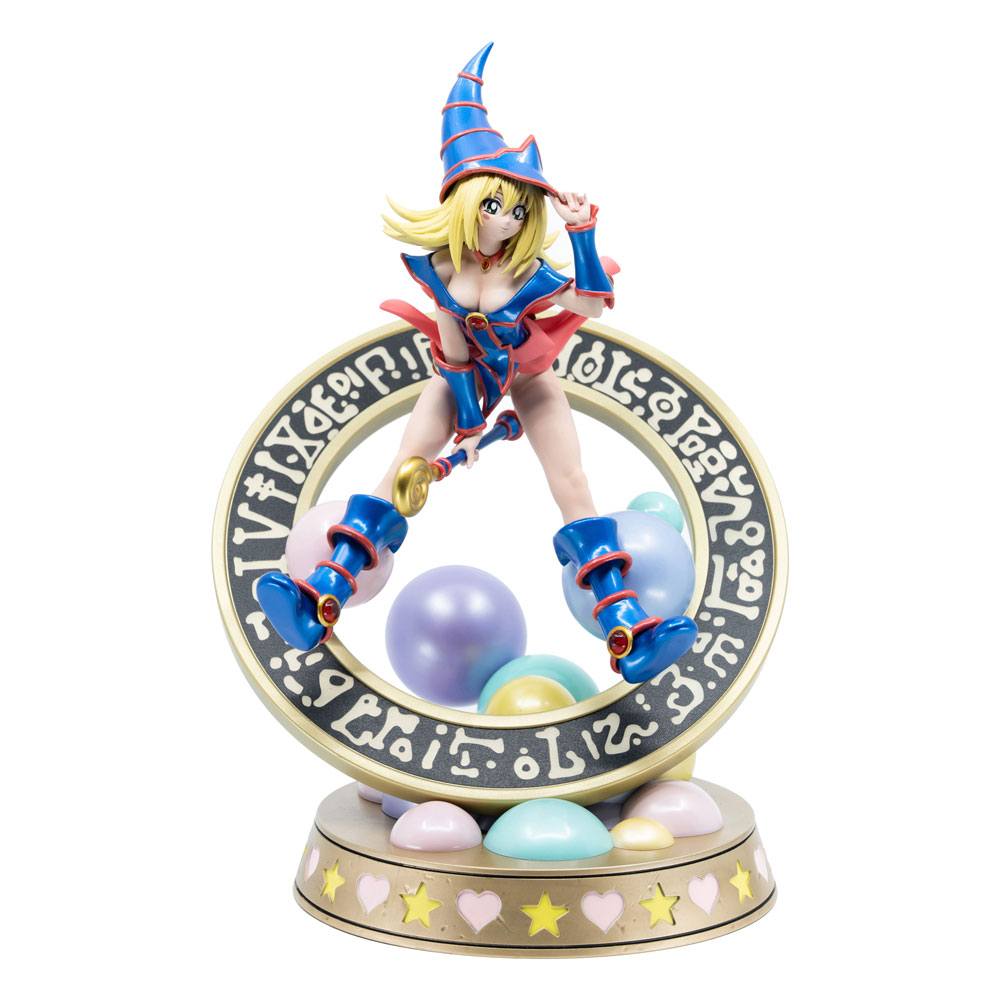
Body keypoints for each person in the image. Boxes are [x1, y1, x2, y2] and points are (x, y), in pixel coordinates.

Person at [256, 43, 696, 684]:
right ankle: (316, 597)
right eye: (495, 205)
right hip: (458, 378)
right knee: (399, 472)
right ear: (465, 200)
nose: (508, 220)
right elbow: (450, 338)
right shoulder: (440, 268)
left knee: (572, 483)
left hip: (530, 377)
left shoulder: (527, 271)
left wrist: (581, 233)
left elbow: (592, 304)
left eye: (520, 210)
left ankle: (628, 630)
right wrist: (466, 415)